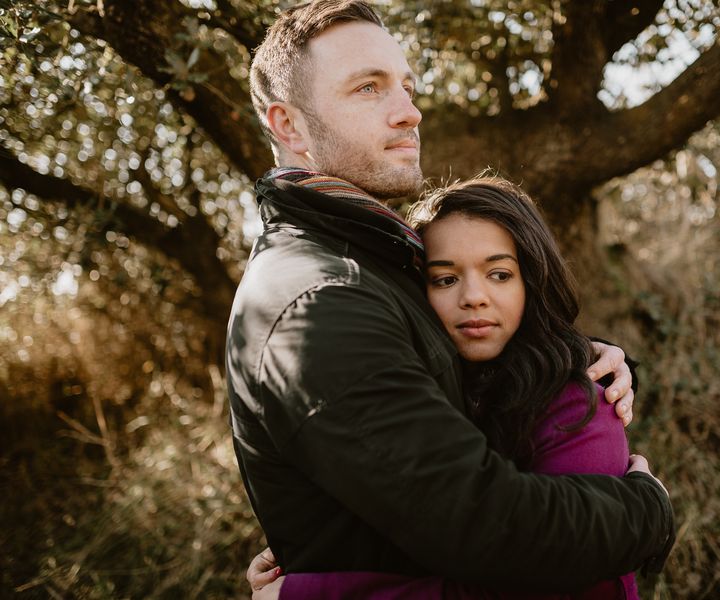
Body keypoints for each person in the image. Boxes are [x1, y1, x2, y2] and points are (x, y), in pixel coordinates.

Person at [227, 0, 674, 593]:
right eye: (368, 88)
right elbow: (488, 528)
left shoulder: (377, 265)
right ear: (288, 125)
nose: (408, 113)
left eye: (407, 89)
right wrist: (648, 509)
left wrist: (572, 357)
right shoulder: (321, 300)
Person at [247, 176, 659, 599]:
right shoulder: (424, 394)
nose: (473, 297)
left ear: (531, 283)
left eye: (499, 274)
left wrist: (305, 595)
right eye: (445, 279)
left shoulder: (581, 404)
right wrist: (317, 551)